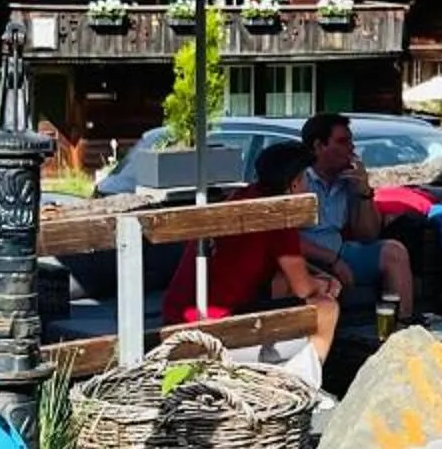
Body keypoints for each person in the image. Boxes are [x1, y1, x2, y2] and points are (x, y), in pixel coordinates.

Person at [164, 141, 338, 357]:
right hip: (213, 326)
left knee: (281, 282)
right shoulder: (280, 213)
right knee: (327, 308)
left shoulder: (244, 196)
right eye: (306, 179)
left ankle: (276, 361)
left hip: (176, 316)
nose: (309, 187)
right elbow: (303, 288)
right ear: (294, 183)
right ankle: (310, 379)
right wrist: (325, 283)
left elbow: (286, 266)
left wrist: (315, 275)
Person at [297, 112, 416, 321]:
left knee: (394, 252)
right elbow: (281, 239)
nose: (351, 148)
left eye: (351, 141)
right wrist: (332, 260)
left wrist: (364, 193)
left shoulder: (347, 179)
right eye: (342, 142)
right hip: (305, 257)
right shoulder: (297, 179)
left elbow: (368, 235)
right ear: (318, 146)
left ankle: (402, 328)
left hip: (339, 250)